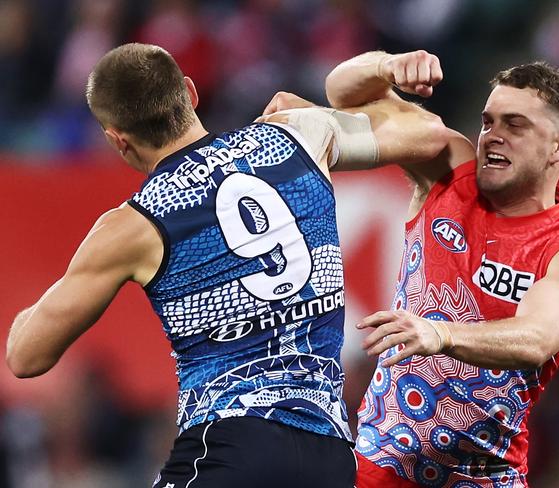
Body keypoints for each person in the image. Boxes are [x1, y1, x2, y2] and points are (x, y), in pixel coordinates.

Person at [5, 43, 445, 487]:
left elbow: (25, 356)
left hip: (229, 447)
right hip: (329, 457)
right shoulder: (297, 135)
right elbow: (428, 135)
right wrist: (354, 87)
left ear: (117, 139)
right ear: (191, 93)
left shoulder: (133, 226)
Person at [305, 50, 559, 487]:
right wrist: (385, 68)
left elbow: (537, 338)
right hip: (382, 465)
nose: (492, 136)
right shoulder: (450, 172)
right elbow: (341, 92)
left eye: (515, 125)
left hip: (485, 477)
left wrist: (442, 333)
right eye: (488, 121)